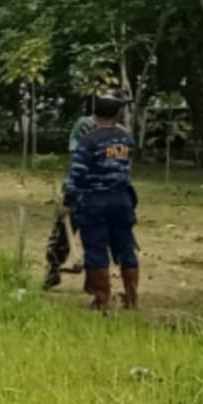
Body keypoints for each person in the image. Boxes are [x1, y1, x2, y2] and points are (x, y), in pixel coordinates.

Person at [63, 89, 140, 312]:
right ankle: (132, 299)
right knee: (126, 249)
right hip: (122, 199)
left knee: (96, 249)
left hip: (94, 201)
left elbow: (76, 174)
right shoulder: (126, 139)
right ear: (116, 114)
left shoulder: (88, 141)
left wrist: (67, 200)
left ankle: (102, 300)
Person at [44, 109, 97, 289]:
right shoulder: (118, 131)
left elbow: (77, 162)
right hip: (103, 192)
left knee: (62, 233)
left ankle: (91, 278)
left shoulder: (84, 126)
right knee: (94, 238)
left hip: (83, 192)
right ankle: (54, 272)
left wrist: (68, 195)